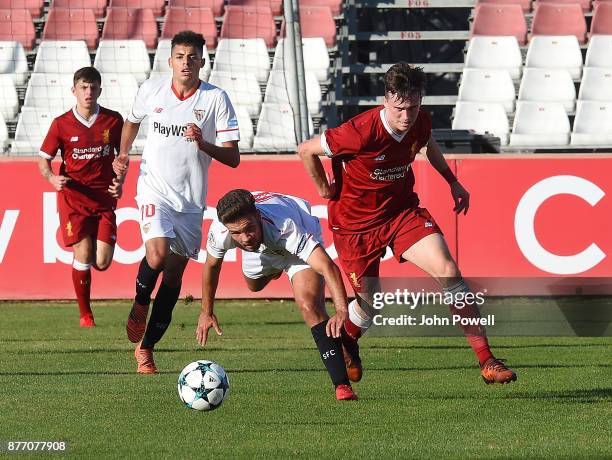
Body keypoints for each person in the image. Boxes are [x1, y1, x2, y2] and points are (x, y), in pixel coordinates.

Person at [297, 63, 517, 385]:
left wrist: (452, 182)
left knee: (449, 271)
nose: (406, 116)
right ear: (386, 100)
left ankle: (487, 361)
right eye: (399, 108)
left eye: (413, 107)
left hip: (401, 213)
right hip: (356, 227)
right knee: (371, 304)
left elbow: (428, 143)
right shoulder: (359, 131)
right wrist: (323, 189)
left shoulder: (419, 122)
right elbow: (306, 150)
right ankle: (348, 341)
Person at [112, 30, 240, 374]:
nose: (186, 63)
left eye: (192, 57)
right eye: (180, 57)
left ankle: (146, 348)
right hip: (154, 189)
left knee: (172, 280)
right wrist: (123, 154)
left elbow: (233, 158)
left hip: (191, 203)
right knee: (156, 254)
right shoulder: (151, 90)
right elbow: (132, 121)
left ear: (202, 61)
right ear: (170, 61)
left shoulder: (216, 99)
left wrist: (203, 145)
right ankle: (140, 303)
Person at [197, 189, 357, 400]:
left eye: (249, 228)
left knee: (309, 306)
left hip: (294, 245)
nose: (244, 238)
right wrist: (206, 311)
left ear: (257, 215)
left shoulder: (286, 227)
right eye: (236, 233)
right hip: (264, 250)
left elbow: (327, 266)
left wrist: (342, 310)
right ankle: (275, 270)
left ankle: (342, 385)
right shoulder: (221, 232)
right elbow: (211, 266)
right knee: (254, 286)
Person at [38, 67, 124, 328]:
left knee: (103, 262)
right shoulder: (61, 123)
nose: (88, 92)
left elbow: (122, 157)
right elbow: (43, 160)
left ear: (100, 90)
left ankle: (86, 303)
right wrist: (52, 178)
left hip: (105, 199)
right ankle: (85, 315)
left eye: (93, 87)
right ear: (73, 90)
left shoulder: (113, 120)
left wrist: (120, 181)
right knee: (84, 254)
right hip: (74, 199)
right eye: (83, 87)